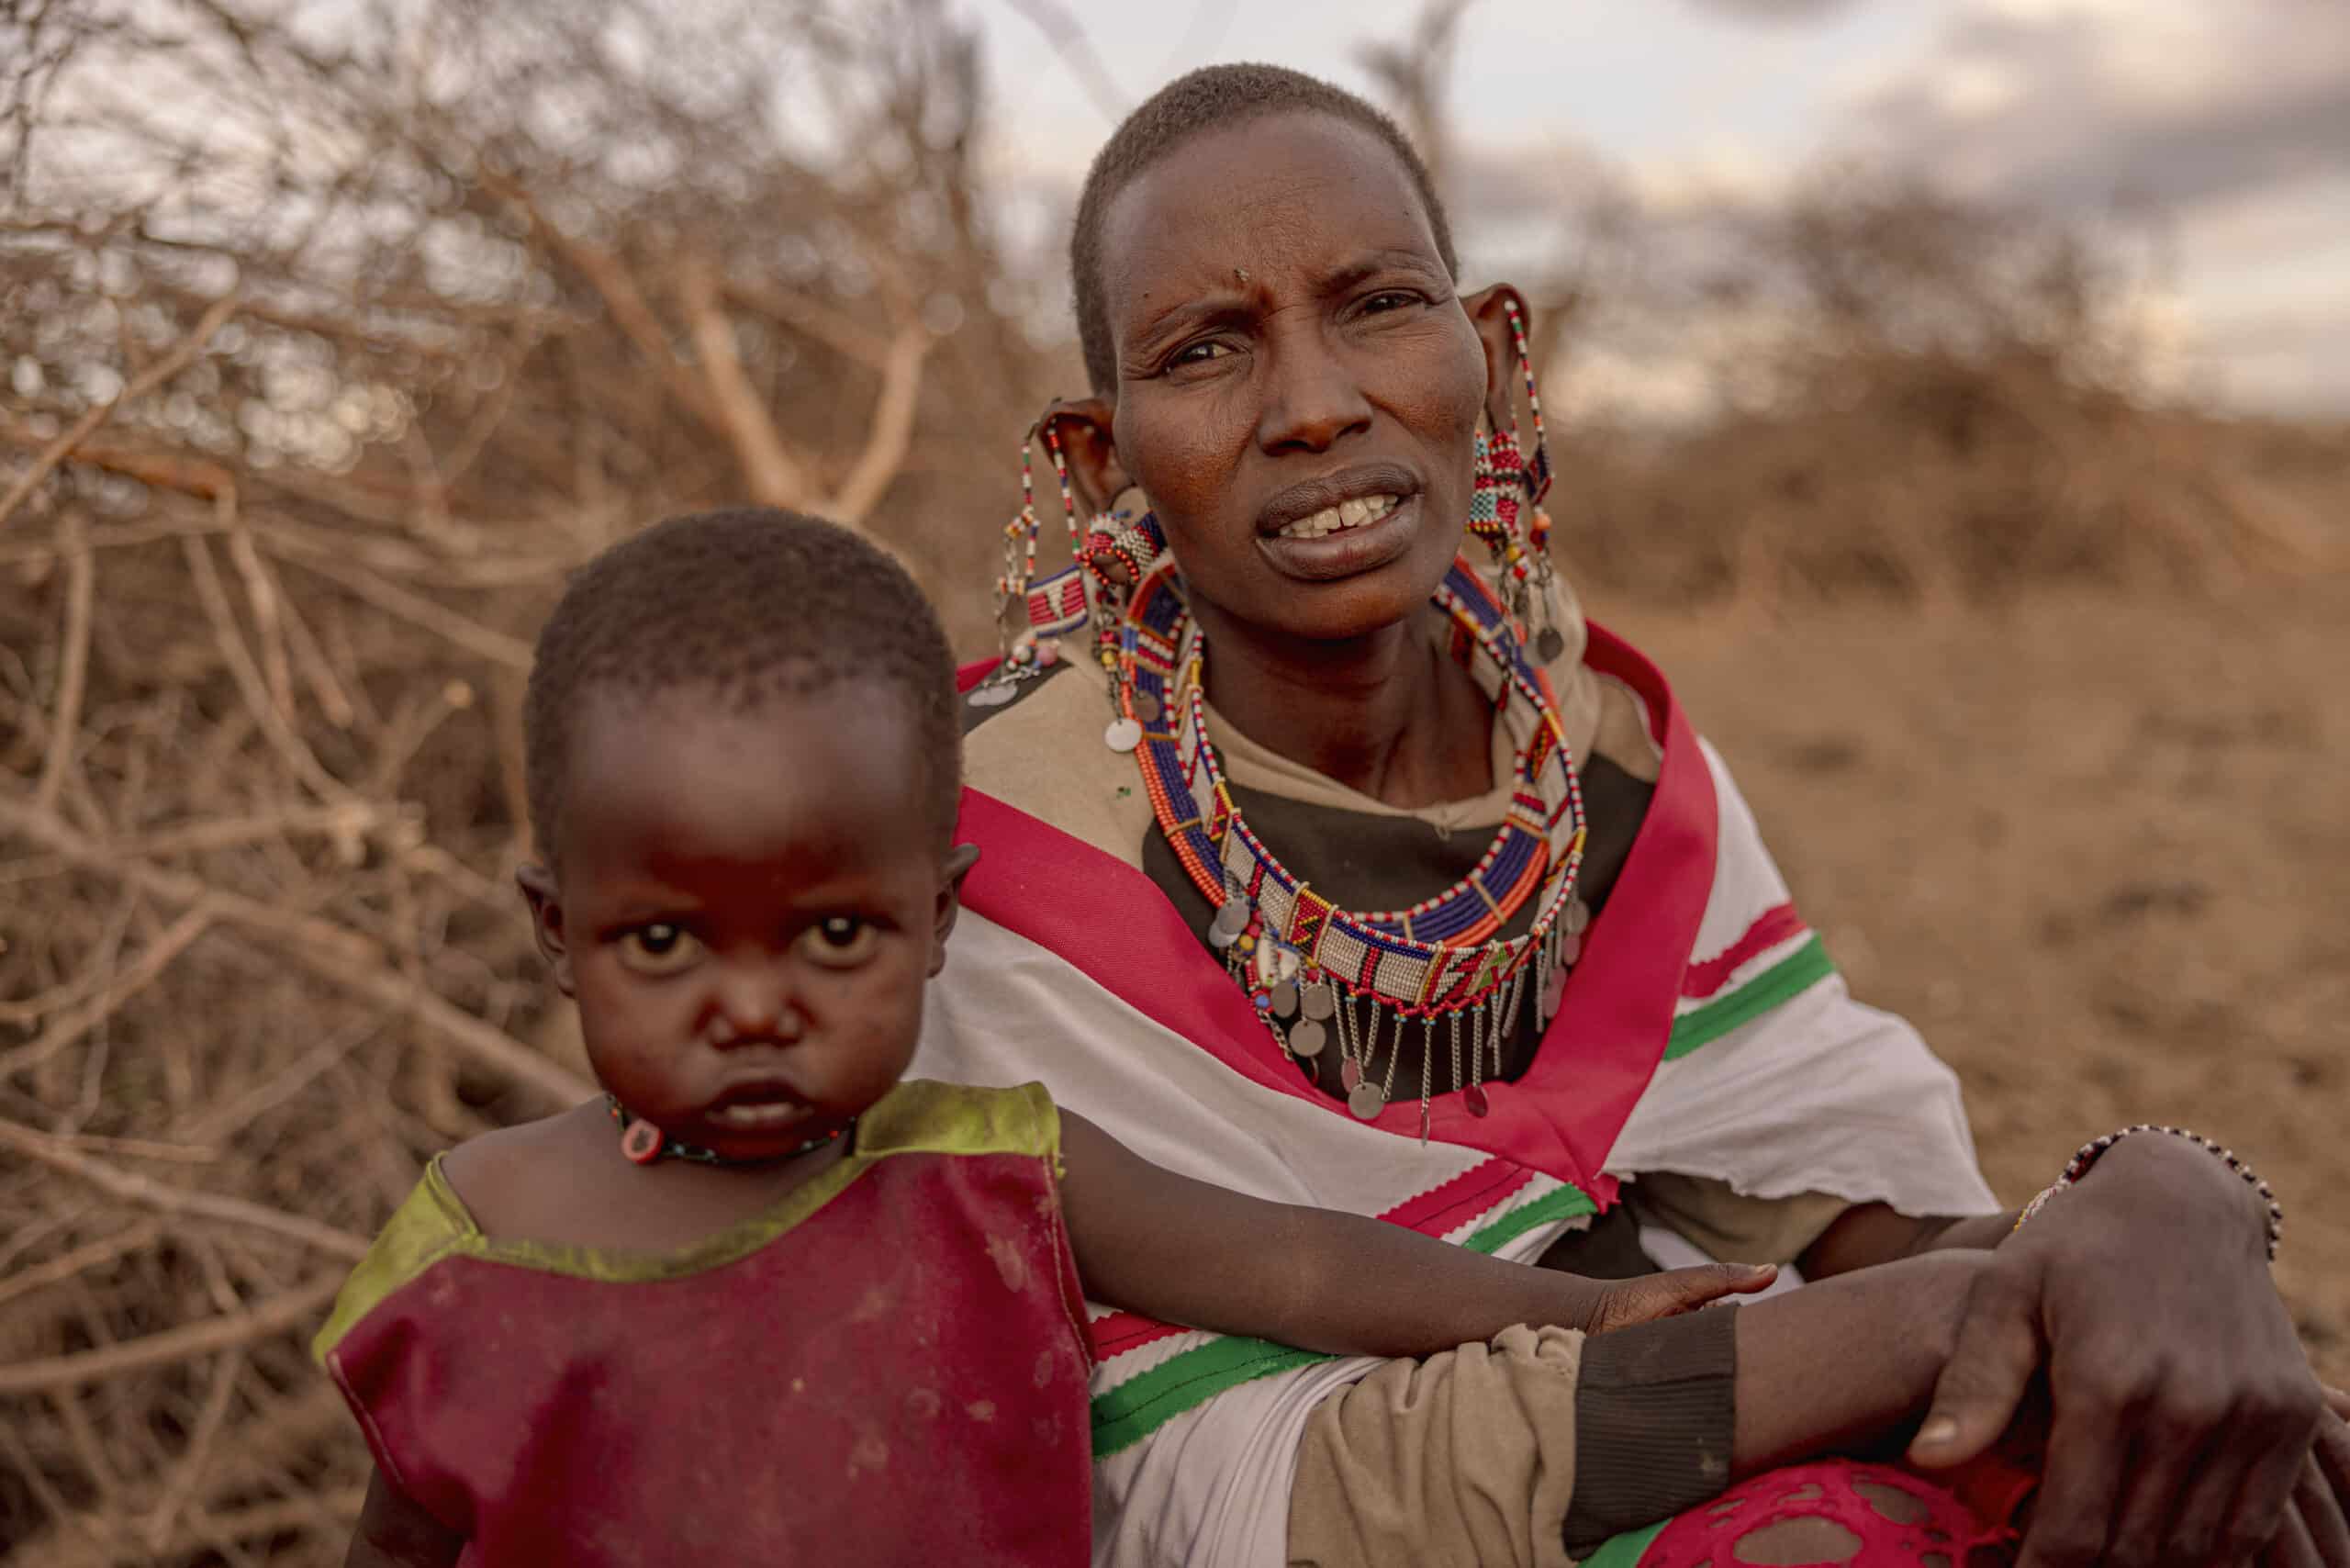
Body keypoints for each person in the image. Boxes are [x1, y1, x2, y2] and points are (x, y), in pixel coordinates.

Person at [921, 62, 2347, 1567]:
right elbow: (1214, 1474)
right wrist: (1941, 1320)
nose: (1319, 404)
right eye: (1208, 348)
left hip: (1666, 1395)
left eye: (1380, 306)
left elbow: (1827, 1212)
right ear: (1098, 459)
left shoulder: (1595, 745)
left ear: (1488, 349)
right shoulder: (985, 855)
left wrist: (2161, 1199)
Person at [315, 508, 1801, 1566]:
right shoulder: (468, 1254)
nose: (754, 1004)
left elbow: (1302, 1264)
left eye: (835, 935)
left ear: (939, 921)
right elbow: (403, 1541)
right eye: (663, 941)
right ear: (552, 935)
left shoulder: (994, 1171)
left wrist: (1579, 1316)